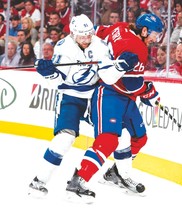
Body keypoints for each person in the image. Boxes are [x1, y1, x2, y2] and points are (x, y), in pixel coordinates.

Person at [65, 13, 164, 200]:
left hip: (126, 98)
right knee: (108, 140)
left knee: (139, 137)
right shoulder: (138, 47)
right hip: (109, 94)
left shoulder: (121, 26)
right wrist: (149, 92)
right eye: (155, 34)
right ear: (144, 30)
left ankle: (116, 174)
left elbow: (97, 31)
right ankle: (79, 179)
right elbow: (131, 83)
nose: (155, 39)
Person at [28, 14, 120, 198]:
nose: (86, 39)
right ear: (73, 34)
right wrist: (49, 73)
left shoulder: (101, 45)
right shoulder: (64, 46)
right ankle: (39, 181)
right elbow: (58, 80)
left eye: (89, 34)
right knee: (64, 139)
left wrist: (119, 67)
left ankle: (104, 177)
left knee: (112, 134)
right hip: (70, 97)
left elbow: (109, 77)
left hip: (94, 96)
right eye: (82, 36)